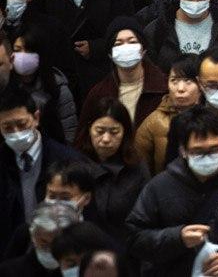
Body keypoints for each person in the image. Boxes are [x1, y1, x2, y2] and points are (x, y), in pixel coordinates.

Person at [125, 106, 218, 276]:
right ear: (183, 151)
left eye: (215, 149)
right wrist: (177, 238)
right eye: (198, 151)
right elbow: (134, 238)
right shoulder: (159, 187)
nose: (207, 157)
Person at [0, 86, 87, 239]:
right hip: (14, 246)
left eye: (22, 124)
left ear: (36, 118)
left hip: (60, 242)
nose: (16, 132)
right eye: (7, 128)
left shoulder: (67, 159)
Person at [73, 99, 150, 244]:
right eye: (99, 131)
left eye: (114, 132)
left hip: (125, 246)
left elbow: (145, 218)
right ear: (89, 129)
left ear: (125, 132)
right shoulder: (74, 163)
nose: (106, 139)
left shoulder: (137, 166)